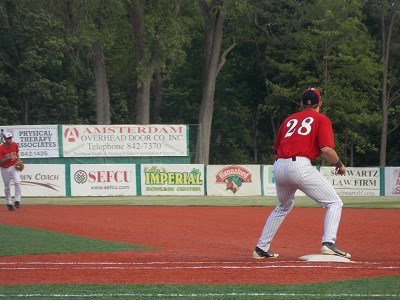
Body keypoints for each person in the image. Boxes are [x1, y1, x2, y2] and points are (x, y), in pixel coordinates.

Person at [253, 88, 350, 259]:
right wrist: (339, 164)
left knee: (283, 206)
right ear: (320, 103)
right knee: (334, 203)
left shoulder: (289, 119)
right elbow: (326, 149)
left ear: (301, 103)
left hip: (279, 166)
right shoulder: (321, 119)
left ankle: (261, 248)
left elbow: (277, 147)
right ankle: (328, 243)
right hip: (299, 166)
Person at [0, 132, 22, 211]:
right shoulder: (1, 148)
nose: (10, 139)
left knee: (18, 182)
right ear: (4, 139)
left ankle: (17, 201)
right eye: (8, 138)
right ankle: (9, 204)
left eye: (10, 138)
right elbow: (0, 161)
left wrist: (18, 161)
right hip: (4, 168)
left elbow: (17, 152)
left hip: (13, 167)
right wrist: (9, 158)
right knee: (7, 187)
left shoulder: (14, 144)